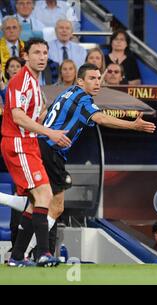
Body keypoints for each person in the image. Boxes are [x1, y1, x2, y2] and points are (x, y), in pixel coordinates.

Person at [12, 63, 155, 258]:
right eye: (92, 78)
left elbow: (45, 114)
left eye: (98, 79)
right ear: (80, 81)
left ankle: (19, 255)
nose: (97, 83)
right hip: (50, 150)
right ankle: (40, 252)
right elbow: (101, 119)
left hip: (40, 148)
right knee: (55, 206)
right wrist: (133, 126)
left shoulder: (67, 93)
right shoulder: (83, 99)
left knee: (35, 204)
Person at [1, 38, 71, 267]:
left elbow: (35, 114)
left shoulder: (34, 82)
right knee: (45, 196)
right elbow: (18, 116)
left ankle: (17, 257)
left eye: (44, 52)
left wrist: (47, 117)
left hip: (29, 143)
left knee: (36, 202)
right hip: (18, 142)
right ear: (25, 56)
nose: (42, 57)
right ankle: (44, 253)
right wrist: (50, 133)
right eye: (37, 52)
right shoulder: (20, 80)